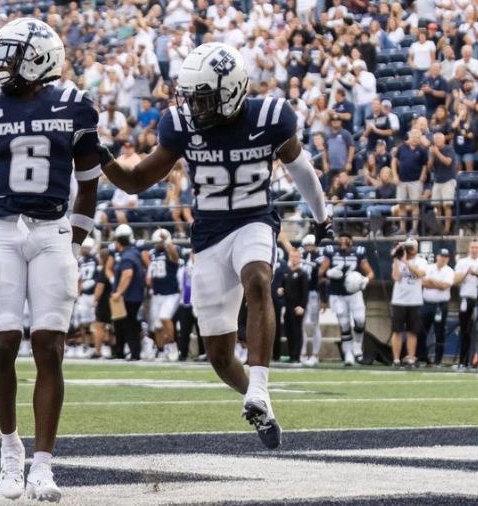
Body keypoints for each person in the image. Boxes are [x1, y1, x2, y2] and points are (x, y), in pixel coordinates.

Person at [97, 43, 332, 449]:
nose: (195, 105)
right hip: (207, 236)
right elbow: (137, 181)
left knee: (258, 279)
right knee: (220, 357)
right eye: (191, 96)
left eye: (203, 97)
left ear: (231, 91)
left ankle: (259, 385)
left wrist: (322, 215)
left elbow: (299, 167)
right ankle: (259, 404)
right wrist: (102, 160)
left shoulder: (270, 117)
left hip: (254, 219)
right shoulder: (182, 123)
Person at [0, 19, 101, 501]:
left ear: (38, 58)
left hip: (52, 229)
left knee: (50, 346)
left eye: (10, 56)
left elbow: (90, 184)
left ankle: (43, 464)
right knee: (3, 342)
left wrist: (71, 241)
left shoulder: (75, 105)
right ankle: (10, 450)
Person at [320, 232, 375, 365]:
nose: (344, 241)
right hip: (337, 294)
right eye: (342, 238)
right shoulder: (331, 252)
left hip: (354, 293)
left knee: (360, 320)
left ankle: (357, 346)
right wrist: (328, 273)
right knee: (344, 324)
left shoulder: (358, 252)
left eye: (347, 239)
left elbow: (371, 273)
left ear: (352, 241)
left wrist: (366, 280)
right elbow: (320, 273)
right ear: (338, 240)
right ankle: (348, 354)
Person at [144, 228, 181, 361]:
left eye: (158, 242)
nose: (156, 244)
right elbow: (151, 272)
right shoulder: (153, 253)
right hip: (157, 294)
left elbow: (175, 257)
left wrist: (167, 241)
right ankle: (160, 351)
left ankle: (172, 347)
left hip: (171, 293)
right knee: (157, 325)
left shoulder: (171, 249)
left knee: (164, 318)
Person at [110, 224, 146, 360]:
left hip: (129, 297)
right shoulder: (134, 253)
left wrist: (119, 292)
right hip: (134, 296)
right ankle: (120, 351)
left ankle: (134, 353)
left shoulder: (127, 257)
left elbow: (127, 274)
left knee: (129, 326)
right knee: (123, 325)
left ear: (119, 243)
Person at [390, 239, 428, 367]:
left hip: (414, 300)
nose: (412, 249)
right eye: (409, 246)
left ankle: (411, 357)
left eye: (414, 246)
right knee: (397, 331)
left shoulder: (421, 261)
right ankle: (396, 359)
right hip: (399, 300)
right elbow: (396, 277)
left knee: (412, 331)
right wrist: (396, 259)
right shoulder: (399, 261)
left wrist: (406, 263)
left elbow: (420, 273)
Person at [419, 249, 454, 366]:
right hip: (427, 303)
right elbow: (424, 283)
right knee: (422, 331)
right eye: (441, 256)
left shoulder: (449, 271)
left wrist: (432, 281)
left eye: (445, 257)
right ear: (437, 257)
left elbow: (445, 286)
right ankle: (423, 357)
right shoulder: (429, 268)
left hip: (441, 305)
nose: (443, 258)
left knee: (439, 333)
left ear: (448, 259)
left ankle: (437, 360)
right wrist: (438, 284)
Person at [454, 240, 478, 369]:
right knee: (465, 330)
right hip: (466, 298)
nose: (474, 250)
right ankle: (463, 360)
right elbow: (455, 281)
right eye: (472, 247)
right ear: (468, 248)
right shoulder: (462, 262)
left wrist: (476, 274)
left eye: (477, 247)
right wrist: (466, 273)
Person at [392, 129, 429, 235]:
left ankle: (414, 229)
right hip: (402, 181)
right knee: (401, 204)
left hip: (415, 181)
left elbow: (424, 165)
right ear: (410, 136)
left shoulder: (422, 150)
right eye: (415, 137)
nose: (416, 139)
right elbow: (394, 161)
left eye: (418, 137)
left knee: (415, 205)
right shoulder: (402, 148)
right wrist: (395, 175)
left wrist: (423, 175)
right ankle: (402, 228)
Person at [299, 234, 324, 366]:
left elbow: (321, 275)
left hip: (314, 293)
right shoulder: (300, 256)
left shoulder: (320, 257)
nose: (309, 247)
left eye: (311, 245)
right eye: (307, 245)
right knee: (301, 324)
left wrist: (323, 298)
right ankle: (302, 353)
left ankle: (315, 354)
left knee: (314, 324)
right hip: (302, 294)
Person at [282, 249, 308, 364]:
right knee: (288, 331)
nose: (294, 259)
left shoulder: (303, 273)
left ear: (299, 258)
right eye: (292, 257)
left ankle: (296, 355)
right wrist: (280, 290)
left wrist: (302, 306)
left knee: (296, 330)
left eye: (296, 257)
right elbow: (283, 286)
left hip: (297, 306)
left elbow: (305, 292)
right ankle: (291, 354)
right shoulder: (286, 272)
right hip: (287, 306)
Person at [428, 132, 457, 235]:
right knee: (436, 206)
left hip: (448, 180)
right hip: (437, 180)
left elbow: (448, 162)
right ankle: (439, 227)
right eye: (435, 140)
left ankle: (447, 229)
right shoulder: (432, 151)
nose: (437, 142)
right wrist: (432, 156)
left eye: (439, 139)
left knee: (447, 205)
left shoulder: (449, 149)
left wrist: (437, 153)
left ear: (443, 140)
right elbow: (430, 167)